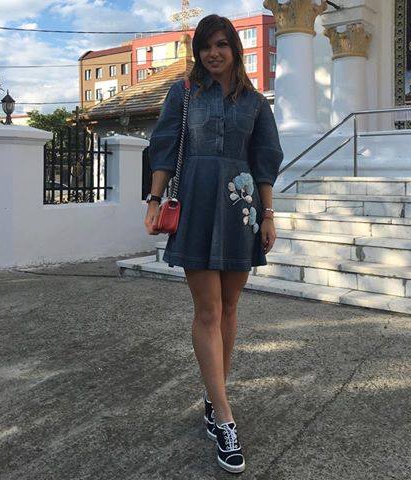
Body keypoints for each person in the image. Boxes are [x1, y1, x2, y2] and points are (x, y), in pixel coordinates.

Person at [144, 14, 284, 474]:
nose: (213, 53)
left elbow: (265, 158)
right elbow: (165, 147)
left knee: (229, 308)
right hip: (198, 202)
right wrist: (154, 200)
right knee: (207, 310)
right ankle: (224, 417)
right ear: (198, 52)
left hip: (241, 206)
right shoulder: (183, 93)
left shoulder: (255, 102)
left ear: (235, 49)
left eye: (222, 44)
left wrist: (268, 214)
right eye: (206, 46)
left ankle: (213, 394)